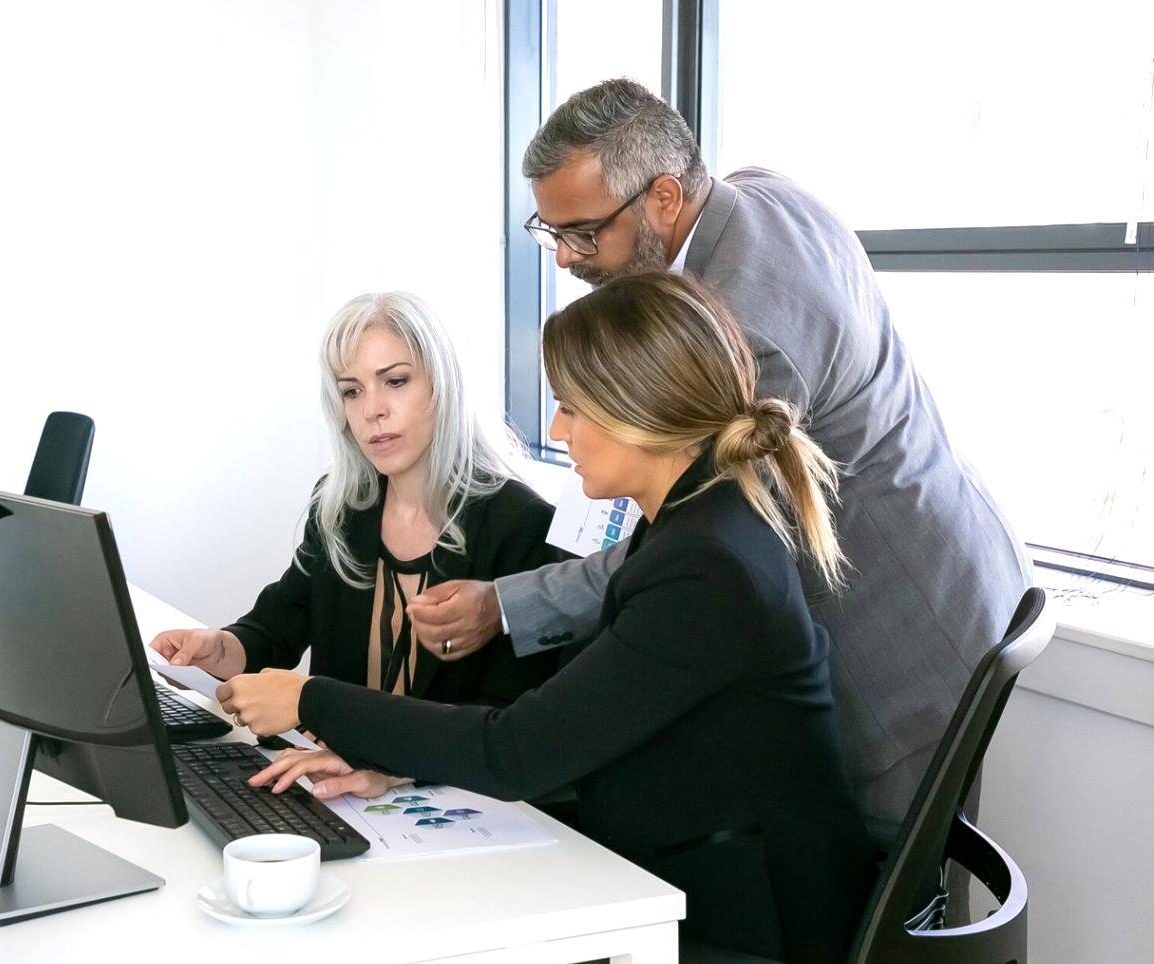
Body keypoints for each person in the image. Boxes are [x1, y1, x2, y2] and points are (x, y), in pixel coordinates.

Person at [405, 78, 1031, 824]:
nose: (566, 260)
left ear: (664, 198)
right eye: (551, 233)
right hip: (952, 551)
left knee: (889, 904)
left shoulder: (749, 335)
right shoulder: (755, 195)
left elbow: (696, 539)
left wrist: (507, 606)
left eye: (583, 232)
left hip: (902, 629)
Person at [220, 272, 879, 963]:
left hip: (749, 924)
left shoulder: (704, 566)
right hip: (699, 873)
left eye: (570, 409)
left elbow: (516, 751)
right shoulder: (696, 523)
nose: (559, 430)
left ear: (639, 409)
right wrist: (389, 765)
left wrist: (308, 697)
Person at [150, 291, 562, 797]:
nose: (373, 411)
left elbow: (510, 719)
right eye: (351, 391)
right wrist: (221, 647)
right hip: (336, 794)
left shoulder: (522, 524)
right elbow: (278, 625)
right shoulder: (341, 506)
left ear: (444, 386)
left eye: (395, 381)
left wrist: (388, 769)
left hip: (459, 804)